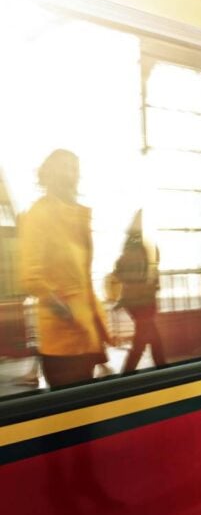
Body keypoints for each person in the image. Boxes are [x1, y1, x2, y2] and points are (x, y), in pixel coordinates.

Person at [18, 149, 110, 388]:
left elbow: (85, 280)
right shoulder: (40, 214)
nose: (72, 174)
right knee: (73, 417)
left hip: (86, 336)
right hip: (62, 343)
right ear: (49, 174)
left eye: (75, 168)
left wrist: (96, 326)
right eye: (65, 167)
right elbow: (31, 276)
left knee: (87, 413)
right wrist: (65, 310)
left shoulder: (79, 215)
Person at [114, 210, 167, 373]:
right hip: (144, 302)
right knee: (142, 341)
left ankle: (162, 368)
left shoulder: (126, 251)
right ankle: (128, 375)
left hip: (134, 303)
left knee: (151, 338)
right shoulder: (147, 248)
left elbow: (119, 273)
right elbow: (153, 272)